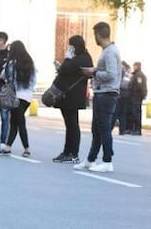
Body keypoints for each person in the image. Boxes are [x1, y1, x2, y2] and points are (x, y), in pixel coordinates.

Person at [74, 21, 121, 173]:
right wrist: (94, 69)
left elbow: (111, 74)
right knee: (97, 128)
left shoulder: (110, 52)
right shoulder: (107, 51)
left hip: (107, 93)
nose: (94, 38)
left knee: (104, 128)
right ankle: (90, 159)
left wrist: (94, 73)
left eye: (95, 35)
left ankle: (107, 160)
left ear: (100, 35)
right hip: (101, 92)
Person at [52, 34, 93, 164]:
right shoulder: (85, 57)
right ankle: (67, 151)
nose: (69, 48)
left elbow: (65, 69)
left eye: (70, 46)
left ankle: (72, 153)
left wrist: (67, 58)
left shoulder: (80, 58)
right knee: (70, 125)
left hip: (71, 95)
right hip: (72, 95)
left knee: (72, 125)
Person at [0, 40, 36, 157]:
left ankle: (26, 148)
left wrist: (0, 77)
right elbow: (33, 80)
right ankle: (8, 147)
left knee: (18, 122)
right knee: (15, 121)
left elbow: (6, 76)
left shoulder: (11, 63)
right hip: (26, 96)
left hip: (14, 95)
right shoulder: (29, 62)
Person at [128, 62, 147, 135]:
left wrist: (140, 94)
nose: (133, 67)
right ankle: (134, 128)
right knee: (134, 113)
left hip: (136, 96)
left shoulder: (139, 75)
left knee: (136, 113)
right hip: (135, 96)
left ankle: (137, 129)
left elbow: (139, 86)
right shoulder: (135, 74)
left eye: (135, 66)